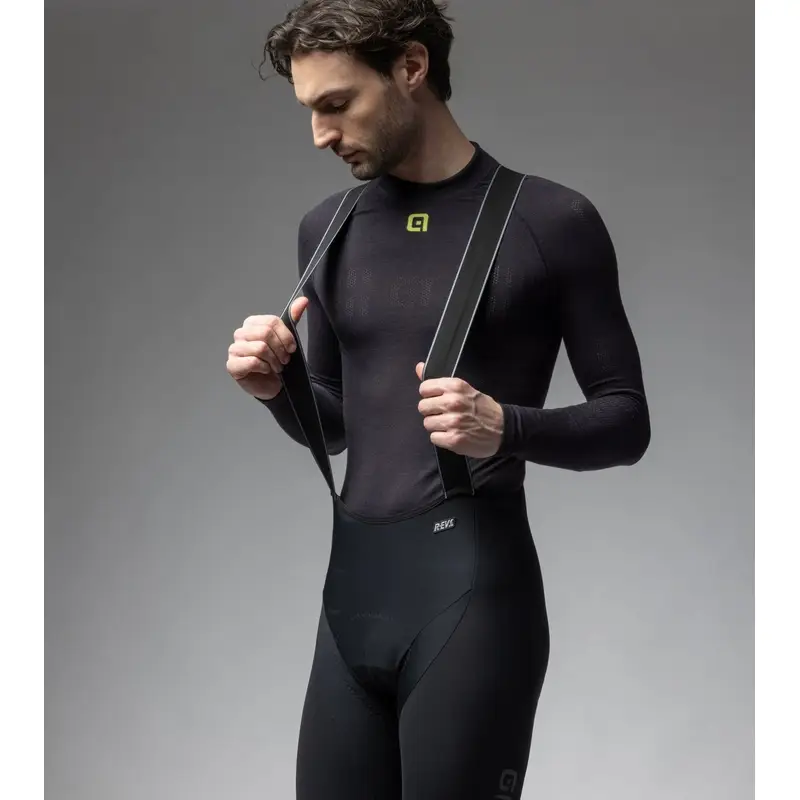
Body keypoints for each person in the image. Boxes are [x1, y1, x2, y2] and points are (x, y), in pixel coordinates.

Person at [226, 1, 650, 797]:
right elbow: (340, 423)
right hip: (352, 599)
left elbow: (627, 421)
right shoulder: (328, 228)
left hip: (473, 601)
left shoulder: (550, 221)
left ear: (411, 68)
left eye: (336, 103)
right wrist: (279, 388)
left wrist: (505, 426)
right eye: (309, 109)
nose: (319, 134)